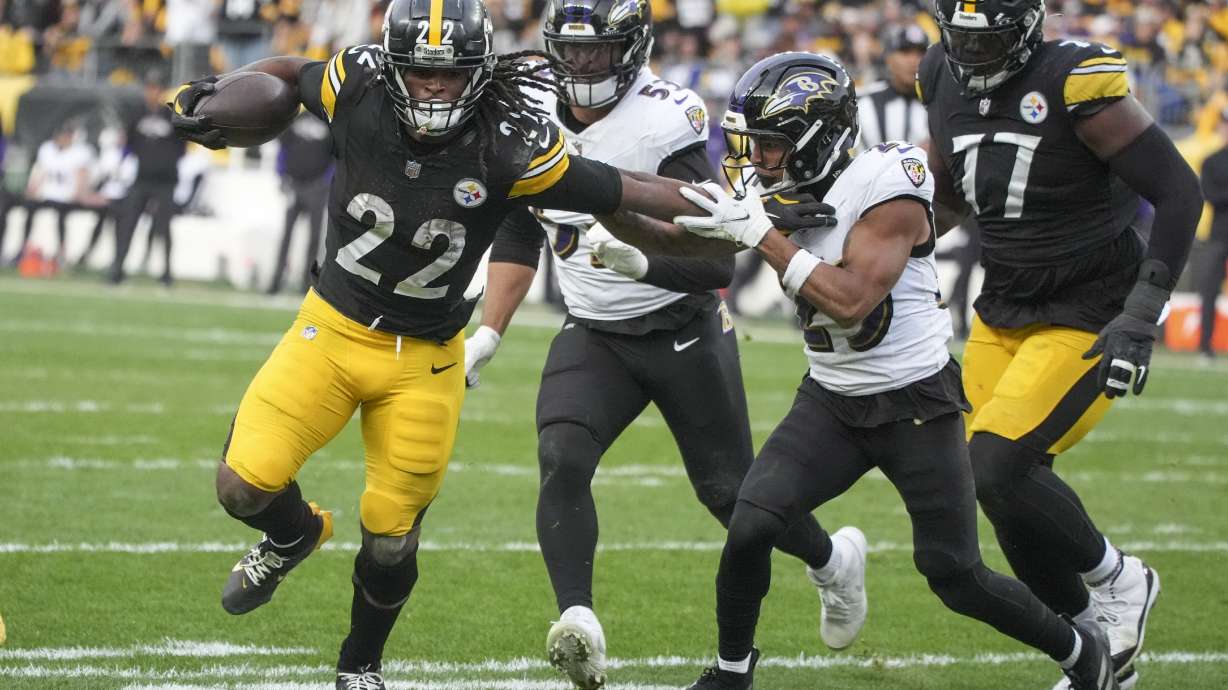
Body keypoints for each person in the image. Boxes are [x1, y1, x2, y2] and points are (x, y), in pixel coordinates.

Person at [170, 0, 729, 686]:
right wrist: (221, 90)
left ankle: (359, 666)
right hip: (332, 328)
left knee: (390, 540)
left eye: (451, 73)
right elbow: (288, 71)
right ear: (393, 66)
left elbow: (622, 188)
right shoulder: (357, 83)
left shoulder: (514, 141)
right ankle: (294, 534)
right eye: (420, 72)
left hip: (425, 361)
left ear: (481, 71)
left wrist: (721, 214)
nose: (435, 87)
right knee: (241, 486)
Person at [597, 51, 1121, 690]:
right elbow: (680, 229)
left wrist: (763, 235)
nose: (757, 158)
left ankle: (1081, 652)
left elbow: (851, 300)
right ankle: (732, 675)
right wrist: (595, 199)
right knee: (750, 526)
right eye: (752, 143)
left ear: (818, 137)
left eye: (770, 143)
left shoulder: (888, 179)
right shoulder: (774, 190)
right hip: (832, 398)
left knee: (954, 574)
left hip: (915, 404)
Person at [465, 2, 839, 688]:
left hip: (680, 325)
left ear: (632, 49)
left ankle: (831, 559)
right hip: (594, 329)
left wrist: (643, 263)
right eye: (572, 50)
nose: (583, 63)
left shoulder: (665, 118)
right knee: (562, 456)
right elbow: (520, 226)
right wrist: (489, 330)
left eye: (598, 50)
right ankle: (577, 618)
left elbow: (714, 262)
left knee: (730, 495)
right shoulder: (530, 107)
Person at [920, 0, 1204, 686]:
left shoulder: (1074, 79)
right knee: (992, 487)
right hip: (1004, 304)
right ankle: (1093, 651)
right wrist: (885, 245)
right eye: (959, 39)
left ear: (1025, 31)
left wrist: (1143, 311)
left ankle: (1120, 578)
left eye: (985, 41)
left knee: (998, 465)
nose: (970, 55)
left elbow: (1178, 192)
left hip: (1088, 306)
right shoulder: (939, 73)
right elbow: (952, 196)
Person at [110, 71, 185, 285]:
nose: (152, 92)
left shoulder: (171, 116)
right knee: (128, 224)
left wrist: (164, 162)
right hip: (142, 178)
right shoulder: (136, 115)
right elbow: (128, 144)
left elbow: (181, 146)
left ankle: (167, 273)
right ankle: (117, 270)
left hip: (165, 180)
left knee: (164, 227)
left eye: (156, 88)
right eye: (149, 88)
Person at [15, 122, 97, 266]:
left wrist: (79, 193)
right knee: (29, 208)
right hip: (48, 194)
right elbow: (42, 170)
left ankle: (61, 252)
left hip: (67, 196)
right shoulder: (47, 149)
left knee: (61, 216)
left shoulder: (80, 152)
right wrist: (33, 189)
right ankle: (23, 247)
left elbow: (82, 174)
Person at [268, 111, 333, 295]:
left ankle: (307, 284)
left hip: (316, 189)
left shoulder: (329, 123)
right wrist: (282, 176)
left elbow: (335, 157)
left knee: (314, 238)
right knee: (286, 236)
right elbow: (282, 149)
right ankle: (275, 282)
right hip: (294, 186)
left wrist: (325, 182)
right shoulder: (296, 120)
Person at [857, 24, 930, 150]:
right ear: (888, 58)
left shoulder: (940, 104)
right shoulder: (863, 101)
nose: (913, 61)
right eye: (905, 52)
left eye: (921, 53)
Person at [1197, 107, 1228, 360]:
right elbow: (1210, 195)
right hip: (1219, 234)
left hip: (1219, 232)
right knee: (1209, 289)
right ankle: (1205, 346)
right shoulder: (1212, 161)